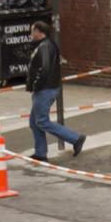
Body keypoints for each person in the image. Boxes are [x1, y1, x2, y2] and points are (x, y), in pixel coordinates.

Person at [25, 23, 84, 162]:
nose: (30, 34)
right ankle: (40, 153)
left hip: (45, 89)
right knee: (34, 122)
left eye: (32, 31)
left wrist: (35, 84)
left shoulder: (46, 46)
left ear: (38, 31)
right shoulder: (44, 45)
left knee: (42, 121)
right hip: (45, 88)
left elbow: (44, 69)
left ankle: (75, 139)